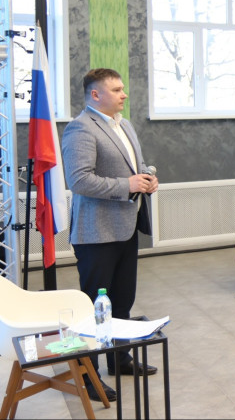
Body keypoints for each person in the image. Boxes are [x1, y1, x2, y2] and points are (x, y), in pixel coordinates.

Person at [61, 68, 160, 402]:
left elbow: (136, 167)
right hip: (96, 233)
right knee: (94, 307)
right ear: (95, 95)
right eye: (117, 90)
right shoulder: (80, 127)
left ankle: (119, 359)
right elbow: (79, 180)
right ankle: (87, 376)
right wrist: (127, 185)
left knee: (122, 299)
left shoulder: (124, 124)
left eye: (122, 89)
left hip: (125, 226)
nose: (124, 94)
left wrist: (146, 179)